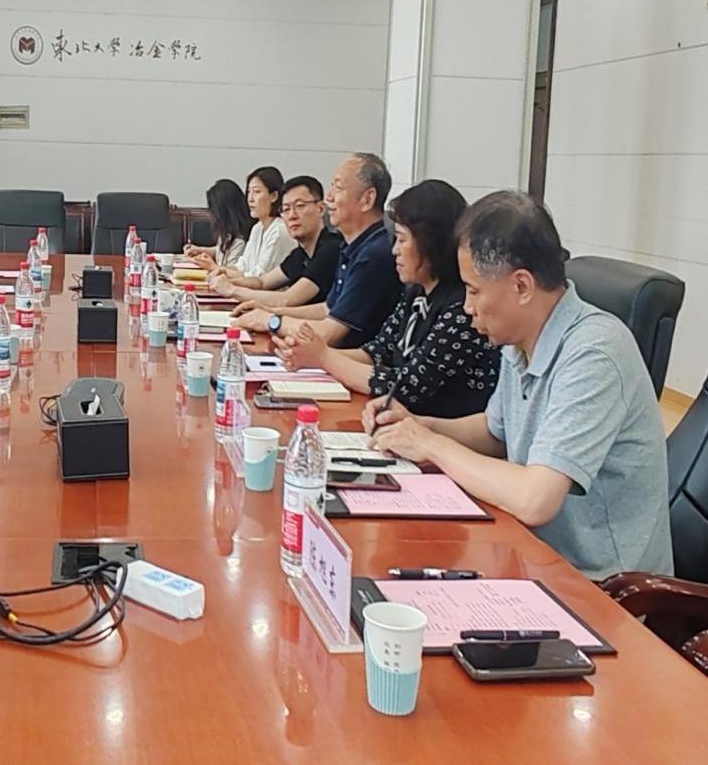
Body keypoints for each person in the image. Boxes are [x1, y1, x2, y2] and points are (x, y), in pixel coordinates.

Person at [368, 191, 673, 580]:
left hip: (604, 584)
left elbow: (535, 499)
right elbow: (495, 432)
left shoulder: (595, 353)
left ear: (522, 286)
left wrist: (431, 445)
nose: (467, 307)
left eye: (474, 290)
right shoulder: (520, 339)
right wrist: (416, 426)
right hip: (531, 552)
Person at [277, 180, 499, 418]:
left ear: (430, 242)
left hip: (438, 429)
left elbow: (408, 386)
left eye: (402, 240)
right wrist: (309, 354)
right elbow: (378, 352)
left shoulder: (462, 306)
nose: (395, 250)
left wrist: (324, 357)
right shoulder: (416, 292)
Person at [232, 153, 401, 349]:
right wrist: (270, 311)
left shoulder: (374, 254)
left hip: (348, 360)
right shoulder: (352, 247)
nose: (329, 198)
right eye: (286, 209)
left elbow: (331, 332)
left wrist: (272, 321)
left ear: (367, 199)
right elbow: (327, 309)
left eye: (338, 188)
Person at [209, 175, 341, 308]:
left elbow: (287, 299)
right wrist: (227, 281)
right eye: (286, 209)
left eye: (300, 206)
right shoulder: (301, 254)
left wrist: (231, 290)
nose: (292, 215)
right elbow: (262, 282)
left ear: (321, 209)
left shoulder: (331, 249)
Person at [222, 166, 291, 277]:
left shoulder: (280, 231)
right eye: (249, 192)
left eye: (257, 192)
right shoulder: (257, 227)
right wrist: (221, 271)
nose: (250, 198)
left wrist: (222, 272)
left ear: (274, 196)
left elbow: (259, 276)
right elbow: (242, 265)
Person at [184, 179, 252, 271]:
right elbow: (221, 251)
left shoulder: (240, 241)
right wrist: (199, 250)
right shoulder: (228, 232)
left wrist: (211, 266)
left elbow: (231, 273)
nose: (211, 215)